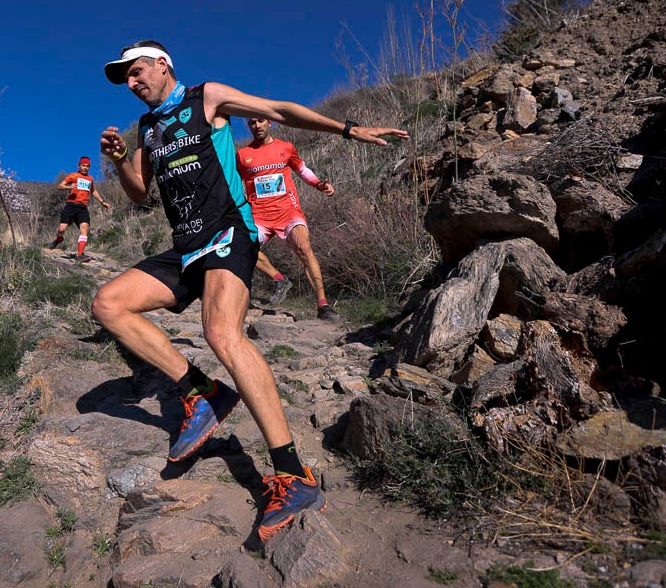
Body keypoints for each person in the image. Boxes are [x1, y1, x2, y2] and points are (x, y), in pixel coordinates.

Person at [92, 39, 408, 543]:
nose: (131, 83)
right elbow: (139, 194)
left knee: (221, 332)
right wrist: (122, 161)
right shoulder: (148, 129)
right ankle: (203, 392)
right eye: (124, 78)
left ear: (162, 64)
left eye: (136, 71)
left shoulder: (207, 98)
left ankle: (292, 476)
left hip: (227, 231)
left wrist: (349, 129)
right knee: (108, 303)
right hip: (185, 246)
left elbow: (277, 109)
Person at [238, 117, 341, 321]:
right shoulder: (243, 155)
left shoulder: (286, 147)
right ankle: (280, 279)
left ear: (270, 123)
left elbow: (302, 170)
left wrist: (319, 184)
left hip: (288, 212)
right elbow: (232, 183)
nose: (256, 126)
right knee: (241, 248)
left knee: (303, 248)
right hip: (259, 216)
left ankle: (323, 306)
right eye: (251, 123)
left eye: (260, 121)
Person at [51, 156, 111, 263]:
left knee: (84, 228)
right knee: (61, 229)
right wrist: (69, 187)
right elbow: (60, 186)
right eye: (83, 165)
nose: (85, 168)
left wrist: (102, 202)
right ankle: (59, 239)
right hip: (71, 206)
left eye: (87, 166)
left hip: (83, 208)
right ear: (79, 166)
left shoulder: (90, 179)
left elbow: (93, 191)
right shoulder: (73, 175)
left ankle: (79, 255)